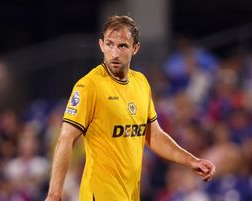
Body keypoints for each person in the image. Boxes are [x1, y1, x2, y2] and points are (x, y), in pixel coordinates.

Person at [45, 15, 215, 201]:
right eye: (110, 44)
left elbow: (154, 135)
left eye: (122, 46)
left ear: (135, 48)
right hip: (100, 194)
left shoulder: (141, 83)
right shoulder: (89, 86)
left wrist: (191, 161)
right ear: (101, 45)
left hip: (130, 194)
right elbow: (65, 138)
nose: (115, 53)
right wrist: (54, 194)